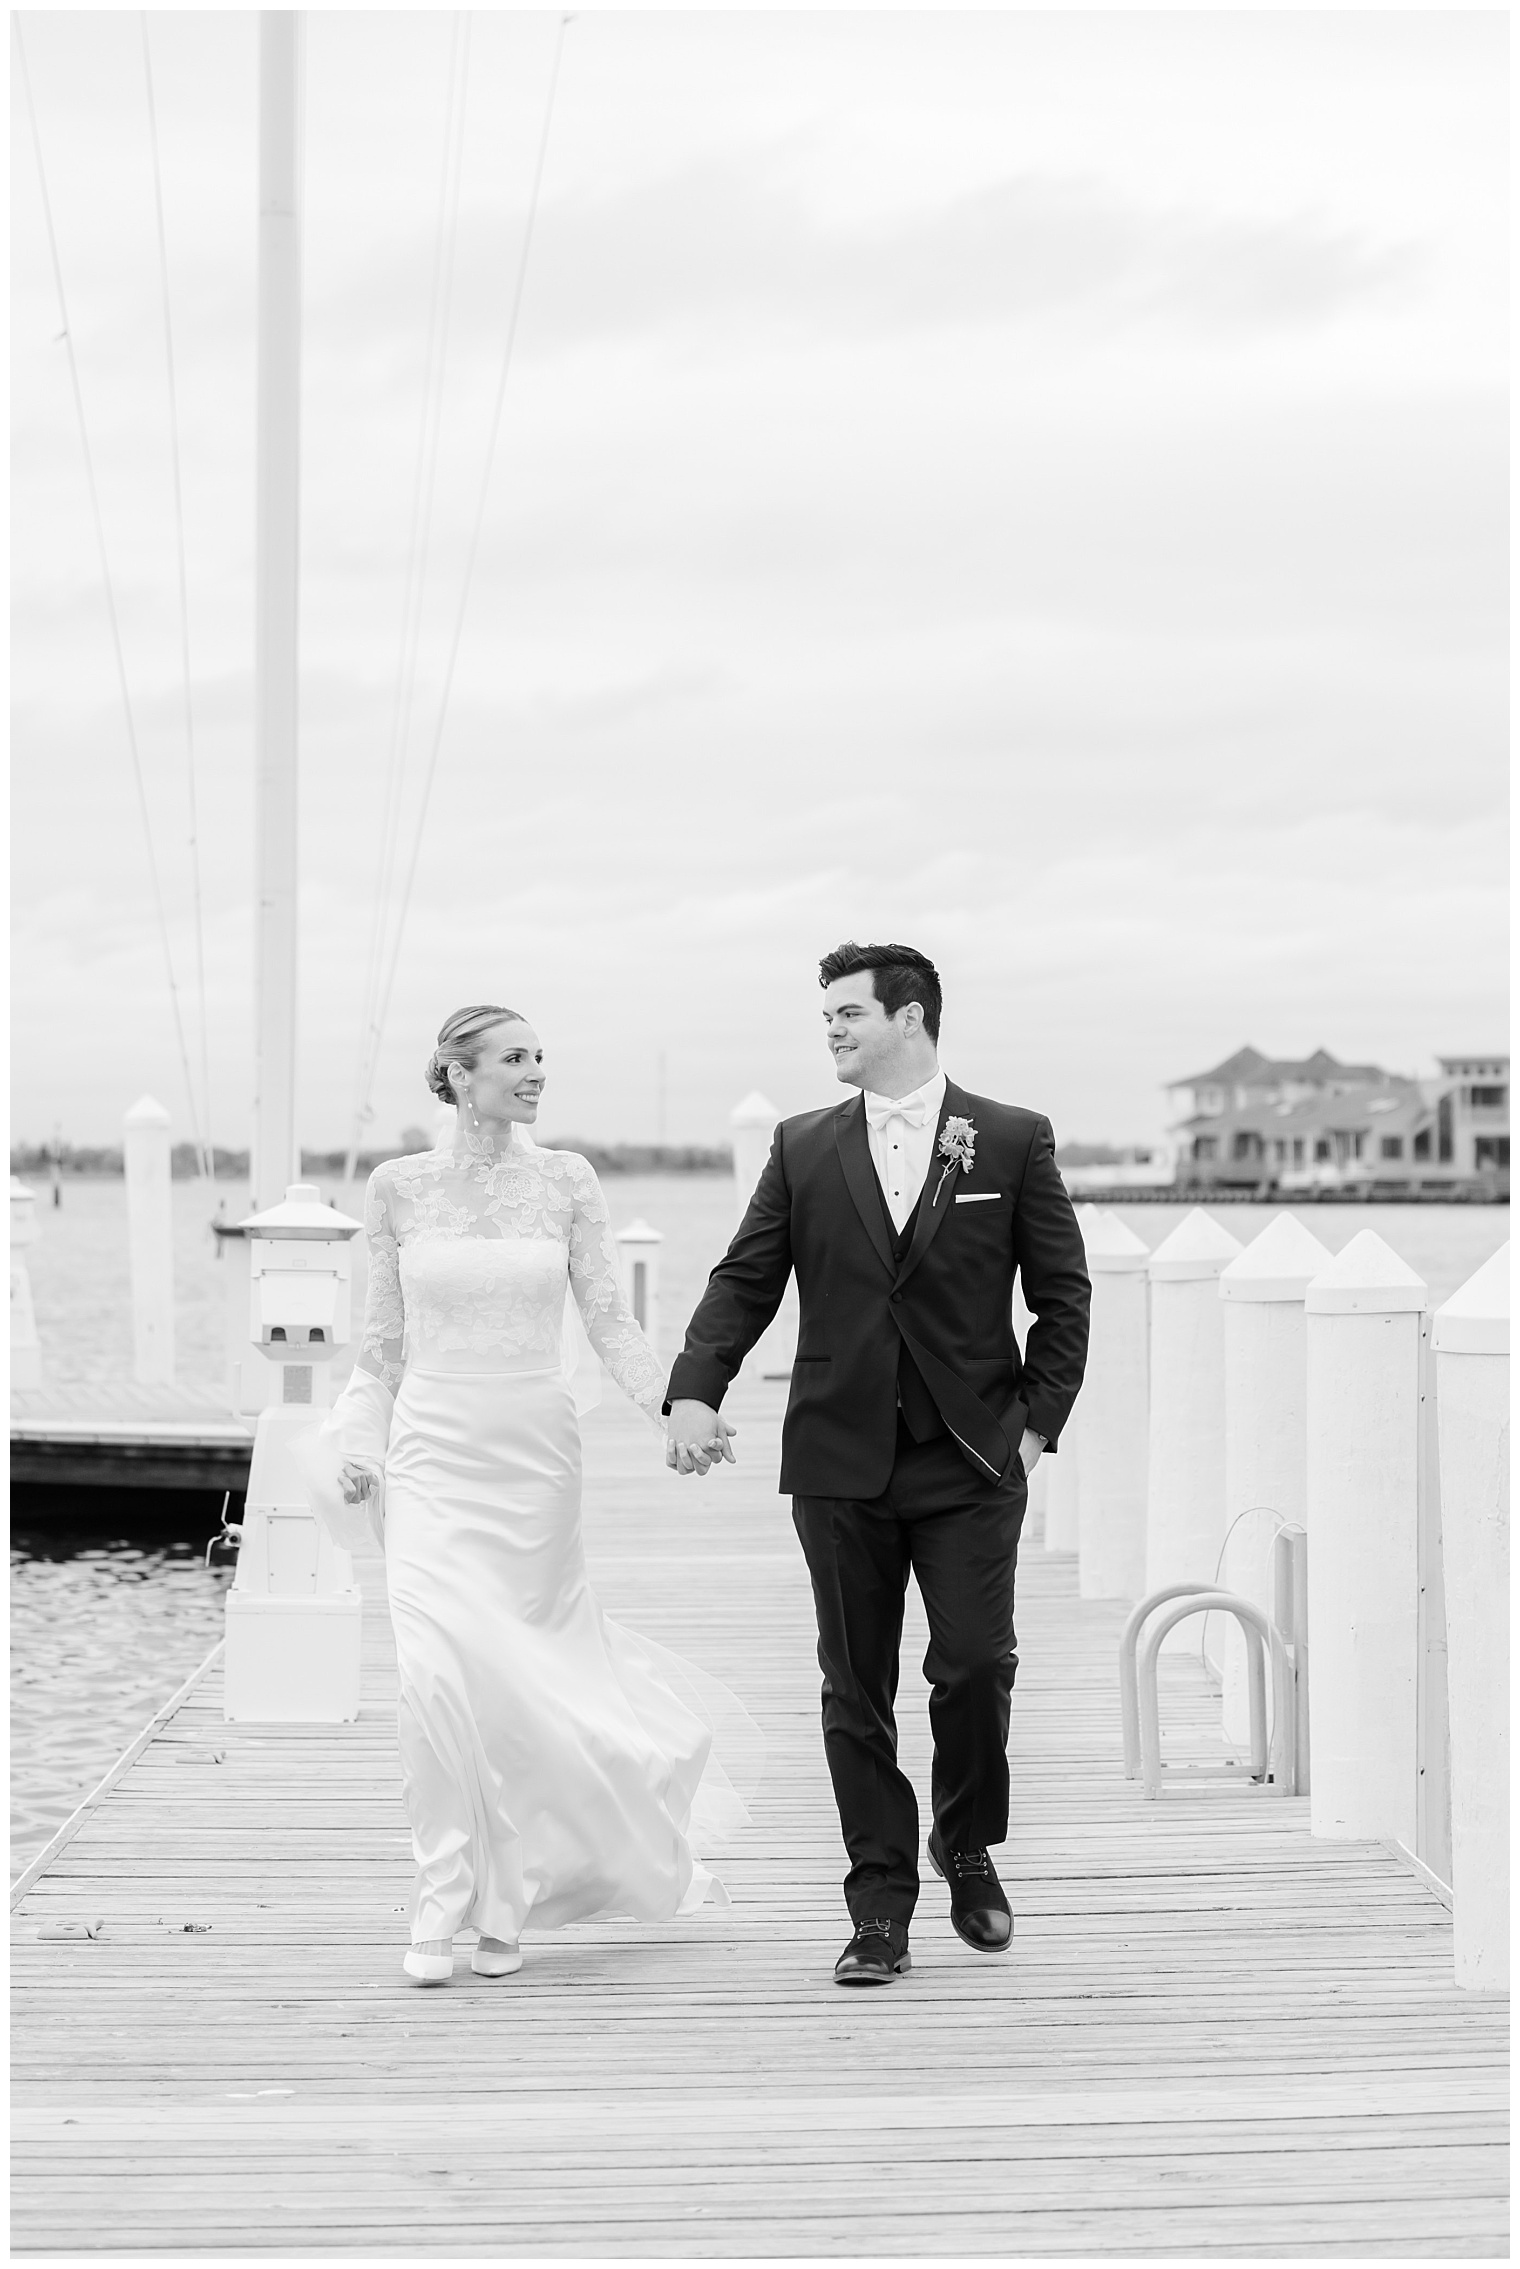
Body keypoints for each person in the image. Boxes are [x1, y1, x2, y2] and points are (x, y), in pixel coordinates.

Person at [665, 943, 1089, 1986]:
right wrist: (693, 1388)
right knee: (853, 1689)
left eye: (848, 1014)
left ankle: (966, 1839)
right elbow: (745, 1277)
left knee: (975, 1663)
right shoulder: (802, 1145)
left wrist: (1032, 1426)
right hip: (838, 1458)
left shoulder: (1009, 1138)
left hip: (969, 1459)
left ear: (910, 1017)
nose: (833, 1032)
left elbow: (1062, 1294)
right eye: (826, 1018)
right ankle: (878, 1909)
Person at [321, 1004, 751, 1986]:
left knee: (519, 1684)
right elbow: (377, 1350)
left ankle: (511, 1895)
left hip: (533, 1461)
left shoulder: (566, 1180)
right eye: (515, 1058)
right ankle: (441, 1893)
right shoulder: (397, 1189)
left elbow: (610, 1320)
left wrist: (672, 1407)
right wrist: (361, 1446)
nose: (534, 1073)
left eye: (540, 1058)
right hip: (431, 1454)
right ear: (457, 1074)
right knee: (433, 1677)